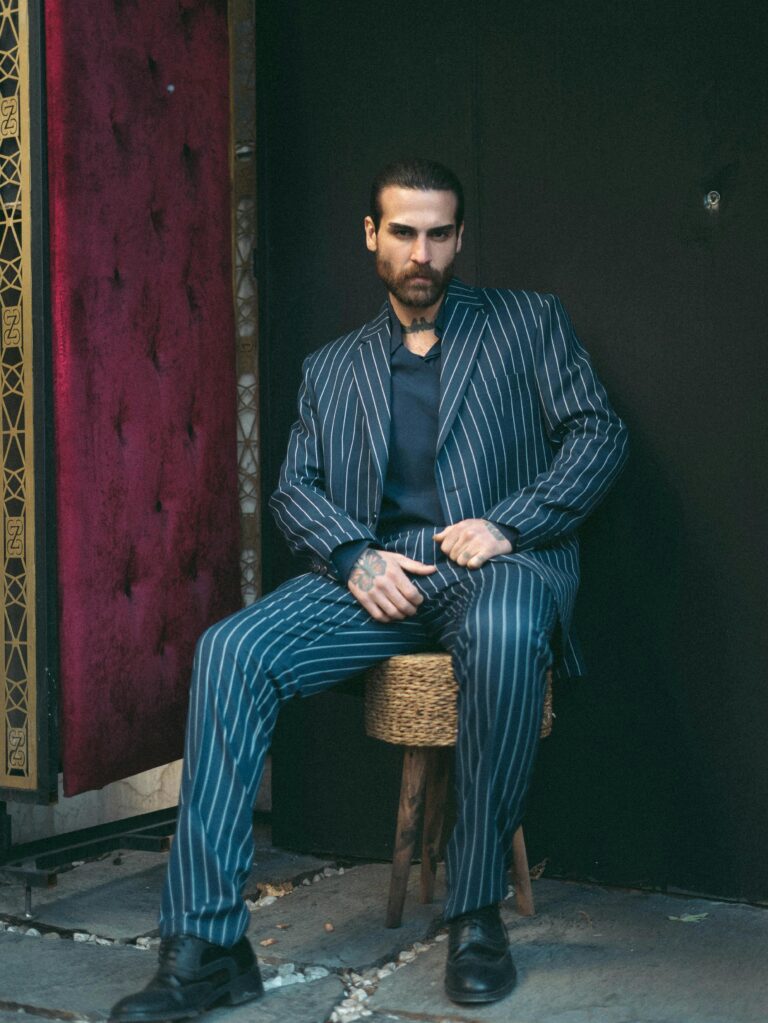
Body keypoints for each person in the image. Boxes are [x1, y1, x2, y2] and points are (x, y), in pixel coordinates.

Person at [110, 158, 628, 1021]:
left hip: (492, 565)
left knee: (503, 630)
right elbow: (294, 489)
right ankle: (205, 945)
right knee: (231, 648)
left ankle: (474, 916)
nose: (420, 252)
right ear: (371, 236)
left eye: (437, 233)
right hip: (379, 574)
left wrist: (510, 523)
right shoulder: (332, 366)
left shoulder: (529, 323)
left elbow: (599, 434)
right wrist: (354, 556)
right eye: (402, 232)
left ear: (459, 238)